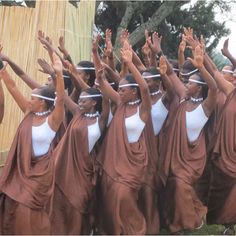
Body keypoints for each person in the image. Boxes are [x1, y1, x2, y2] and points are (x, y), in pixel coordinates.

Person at [0, 35, 64, 234]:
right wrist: (1, 66)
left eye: (33, 99)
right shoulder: (29, 112)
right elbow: (12, 87)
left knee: (27, 211)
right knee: (13, 206)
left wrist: (59, 75)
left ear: (43, 102)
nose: (29, 101)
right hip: (22, 171)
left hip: (39, 176)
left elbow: (60, 100)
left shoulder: (52, 121)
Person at [95, 40, 151, 235]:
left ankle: (136, 230)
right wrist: (97, 62)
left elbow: (144, 88)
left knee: (123, 196)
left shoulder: (143, 109)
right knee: (111, 196)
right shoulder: (120, 103)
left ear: (133, 91)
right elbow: (102, 84)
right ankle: (116, 230)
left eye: (123, 89)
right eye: (119, 89)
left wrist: (131, 62)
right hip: (114, 160)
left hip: (133, 162)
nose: (119, 91)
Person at [162, 44, 217, 233]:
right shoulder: (184, 98)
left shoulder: (206, 107)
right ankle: (185, 217)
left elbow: (214, 87)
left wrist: (202, 67)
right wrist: (158, 52)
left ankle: (189, 223)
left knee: (180, 184)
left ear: (200, 88)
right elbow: (170, 74)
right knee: (176, 186)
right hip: (177, 155)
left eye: (191, 83)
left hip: (193, 159)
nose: (186, 84)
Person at [51, 86, 109, 235]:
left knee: (80, 201)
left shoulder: (101, 119)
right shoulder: (77, 113)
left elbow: (107, 101)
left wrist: (102, 82)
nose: (80, 103)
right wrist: (56, 72)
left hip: (86, 169)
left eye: (84, 101)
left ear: (94, 102)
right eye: (79, 100)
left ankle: (82, 231)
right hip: (68, 166)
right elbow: (63, 95)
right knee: (63, 200)